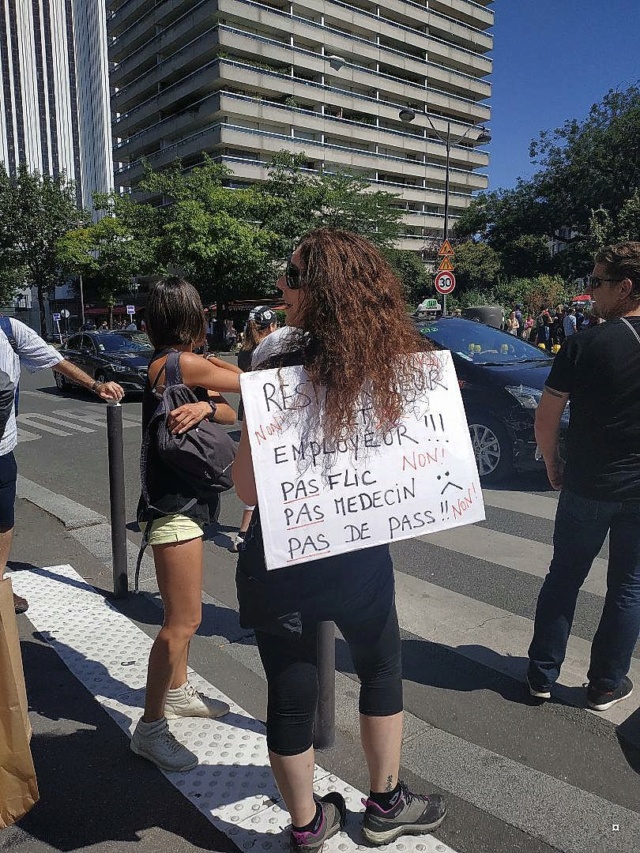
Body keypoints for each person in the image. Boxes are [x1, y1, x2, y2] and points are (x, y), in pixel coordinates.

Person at [233, 229, 447, 851]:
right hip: (356, 554)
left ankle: (306, 827)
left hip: (282, 558)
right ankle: (385, 804)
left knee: (291, 697)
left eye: (292, 275)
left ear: (319, 292)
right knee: (381, 668)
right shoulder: (394, 360)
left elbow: (247, 488)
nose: (280, 284)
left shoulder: (271, 360)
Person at [130, 277, 242, 773]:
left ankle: (176, 693)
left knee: (184, 619)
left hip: (186, 504)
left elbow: (228, 409)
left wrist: (202, 404)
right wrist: (214, 378)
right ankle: (150, 728)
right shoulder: (177, 363)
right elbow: (243, 380)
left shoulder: (177, 368)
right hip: (172, 509)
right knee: (182, 623)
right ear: (191, 318)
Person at [527, 242, 640, 712]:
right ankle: (606, 685)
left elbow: (547, 417)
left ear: (625, 287)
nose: (589, 291)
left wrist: (552, 462)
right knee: (629, 586)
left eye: (597, 282)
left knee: (564, 576)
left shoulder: (585, 342)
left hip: (588, 484)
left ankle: (541, 675)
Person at [0, 317, 124, 613]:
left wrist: (95, 385)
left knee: (3, 519)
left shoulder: (8, 329)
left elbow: (53, 359)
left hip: (1, 448)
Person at [231, 305, 277, 552]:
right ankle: (244, 532)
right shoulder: (269, 350)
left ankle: (248, 530)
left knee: (255, 469)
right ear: (271, 327)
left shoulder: (245, 350)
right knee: (264, 472)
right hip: (266, 416)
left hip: (247, 413)